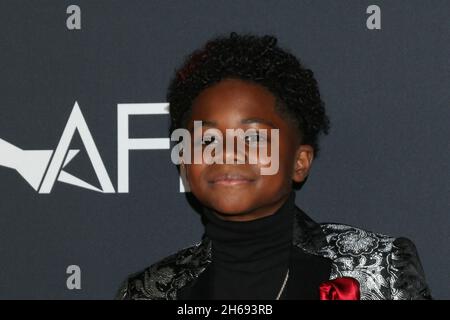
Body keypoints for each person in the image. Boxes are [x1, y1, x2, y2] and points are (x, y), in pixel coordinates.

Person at [116, 32, 432, 300]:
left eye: (253, 137)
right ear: (184, 161)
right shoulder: (147, 290)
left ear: (299, 162)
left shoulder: (381, 266)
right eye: (207, 139)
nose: (227, 154)